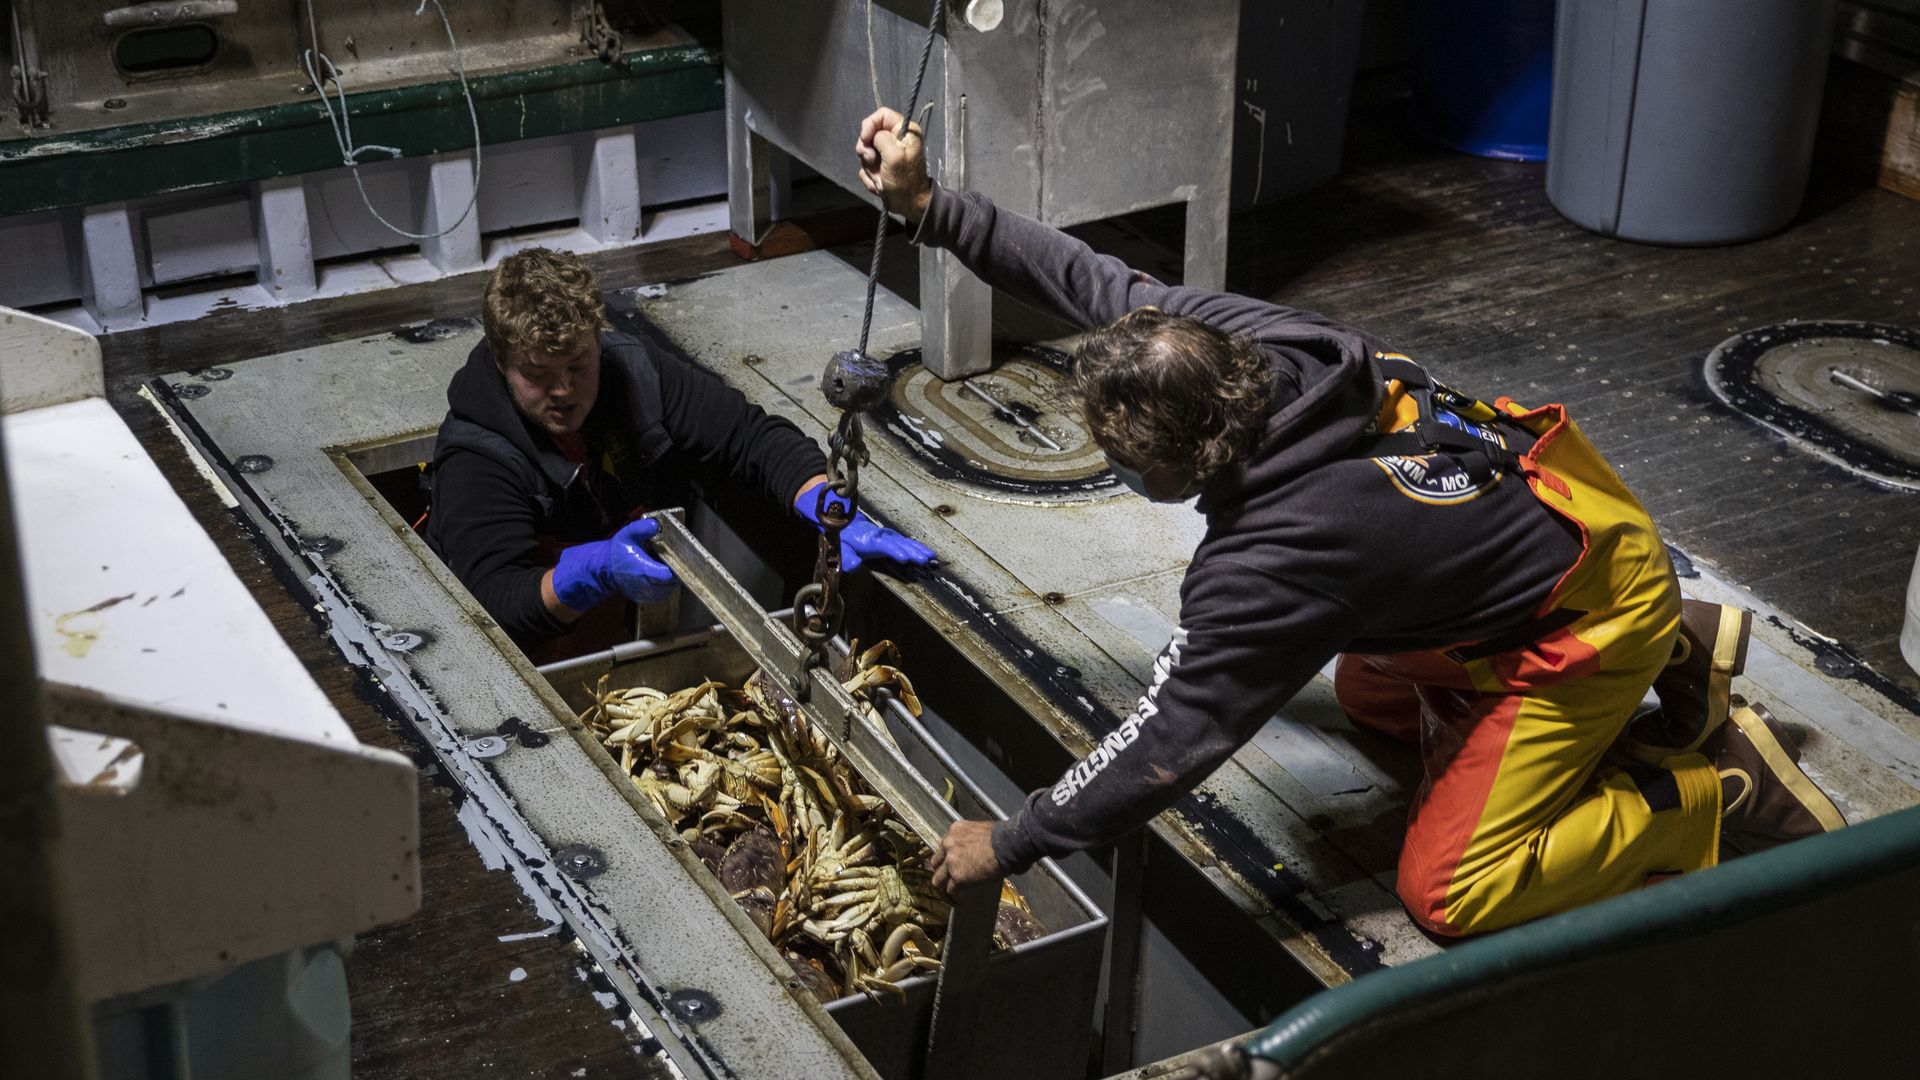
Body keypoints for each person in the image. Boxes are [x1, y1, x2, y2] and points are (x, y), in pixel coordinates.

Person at [852, 109, 1849, 936]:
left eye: (1126, 457)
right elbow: (1090, 281)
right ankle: (1675, 648)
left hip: (1580, 621)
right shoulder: (1252, 345)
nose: (1114, 467)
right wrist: (930, 205)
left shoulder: (1276, 557)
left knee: (1450, 891)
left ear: (1191, 459)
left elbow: (1175, 734)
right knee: (1371, 696)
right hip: (1564, 521)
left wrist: (1015, 838)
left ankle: (1698, 794)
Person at [426, 247, 934, 661]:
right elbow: (494, 609)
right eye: (538, 375)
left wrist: (824, 503)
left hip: (618, 635)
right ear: (501, 360)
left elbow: (749, 437)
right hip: (526, 661)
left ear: (597, 340)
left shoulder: (637, 375)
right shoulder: (478, 456)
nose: (563, 391)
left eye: (578, 365)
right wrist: (591, 571)